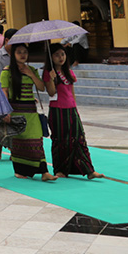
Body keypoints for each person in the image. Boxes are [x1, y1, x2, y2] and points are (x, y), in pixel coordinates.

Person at [44, 45, 103, 179]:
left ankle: (88, 170)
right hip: (57, 111)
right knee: (60, 140)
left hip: (71, 110)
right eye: (57, 55)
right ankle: (60, 170)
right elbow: (51, 92)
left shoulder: (69, 72)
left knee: (79, 139)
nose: (61, 57)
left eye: (63, 54)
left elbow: (72, 93)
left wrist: (75, 107)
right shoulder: (49, 73)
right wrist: (52, 79)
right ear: (51, 57)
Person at [1, 43, 57, 182]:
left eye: (25, 52)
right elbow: (4, 92)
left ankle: (44, 172)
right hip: (15, 111)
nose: (22, 55)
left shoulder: (31, 69)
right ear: (13, 55)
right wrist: (5, 112)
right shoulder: (6, 72)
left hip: (31, 111)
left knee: (36, 140)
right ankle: (20, 170)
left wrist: (31, 74)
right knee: (20, 142)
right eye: (19, 52)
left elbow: (41, 87)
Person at [0, 28, 18, 160]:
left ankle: (4, 148)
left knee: (16, 121)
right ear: (7, 40)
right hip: (1, 95)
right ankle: (9, 149)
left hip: (17, 93)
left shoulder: (19, 54)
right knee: (3, 122)